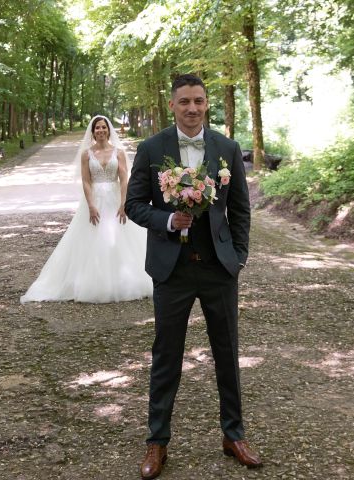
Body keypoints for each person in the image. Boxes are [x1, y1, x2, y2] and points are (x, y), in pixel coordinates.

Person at [125, 74, 262, 479]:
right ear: (172, 105)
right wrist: (167, 219)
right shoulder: (151, 149)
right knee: (166, 356)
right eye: (184, 101)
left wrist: (238, 257)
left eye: (199, 101)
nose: (192, 108)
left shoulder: (228, 148)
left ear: (207, 103)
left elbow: (240, 209)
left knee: (227, 353)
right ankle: (157, 442)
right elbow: (134, 205)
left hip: (219, 268)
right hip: (173, 270)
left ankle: (233, 434)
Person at [20, 115, 152, 304]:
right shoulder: (87, 154)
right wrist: (91, 205)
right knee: (91, 238)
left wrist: (124, 203)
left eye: (103, 128)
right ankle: (92, 282)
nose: (101, 131)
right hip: (95, 199)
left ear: (108, 130)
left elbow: (124, 179)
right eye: (97, 128)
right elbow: (86, 180)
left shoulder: (119, 152)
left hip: (115, 199)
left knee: (121, 237)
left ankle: (125, 279)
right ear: (93, 132)